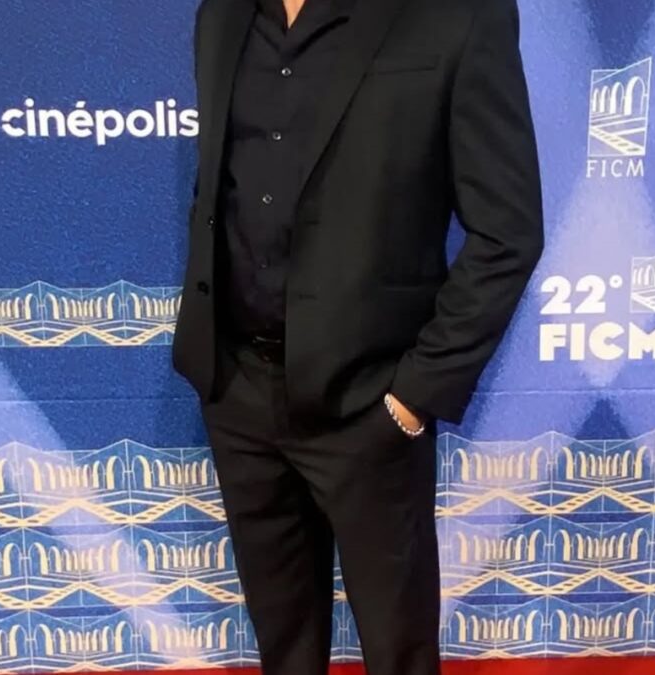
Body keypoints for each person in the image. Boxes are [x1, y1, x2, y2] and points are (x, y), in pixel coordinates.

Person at [172, 0, 543, 672]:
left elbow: (507, 235)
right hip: (239, 393)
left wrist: (414, 396)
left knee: (399, 653)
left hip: (371, 405)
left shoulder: (457, 15)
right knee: (284, 647)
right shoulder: (220, 14)